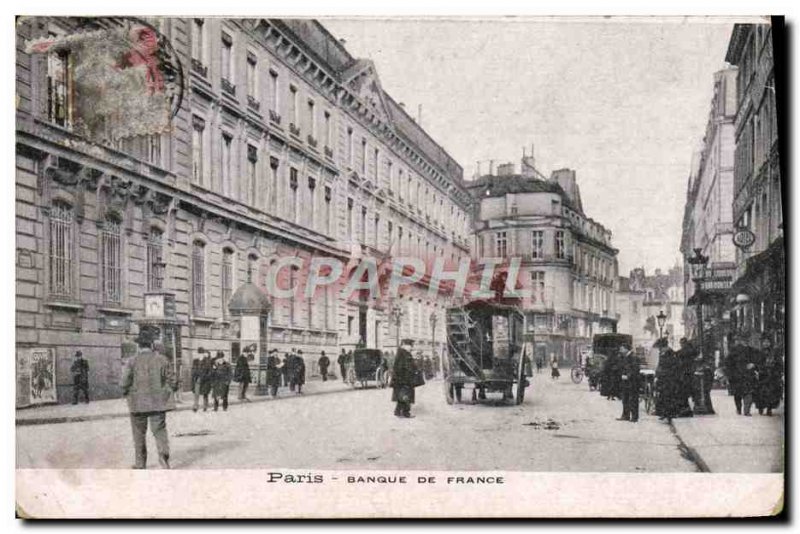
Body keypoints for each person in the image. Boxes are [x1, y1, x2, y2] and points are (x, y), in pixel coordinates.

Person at [122, 326, 176, 469]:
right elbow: (173, 380)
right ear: (152, 345)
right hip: (158, 403)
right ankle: (164, 458)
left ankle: (140, 464)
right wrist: (168, 391)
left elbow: (123, 382)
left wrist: (126, 392)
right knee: (159, 431)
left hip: (137, 403)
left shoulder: (131, 361)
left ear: (138, 345)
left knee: (138, 433)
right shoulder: (162, 359)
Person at [392, 340, 421, 418]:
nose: (412, 348)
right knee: (406, 396)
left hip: (401, 379)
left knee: (401, 396)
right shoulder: (404, 354)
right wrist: (412, 373)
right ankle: (406, 413)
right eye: (411, 346)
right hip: (405, 379)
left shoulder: (401, 353)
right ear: (406, 346)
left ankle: (397, 411)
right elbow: (403, 367)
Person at [755, 336, 783, 416]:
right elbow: (757, 363)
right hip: (762, 375)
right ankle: (761, 407)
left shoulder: (774, 352)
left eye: (768, 342)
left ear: (770, 343)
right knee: (761, 392)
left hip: (772, 376)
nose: (766, 343)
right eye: (764, 342)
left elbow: (779, 363)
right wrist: (758, 369)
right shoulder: (759, 352)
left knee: (772, 393)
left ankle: (769, 409)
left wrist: (777, 371)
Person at [654, 339, 680, 421]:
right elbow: (660, 365)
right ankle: (665, 413)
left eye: (660, 347)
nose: (659, 349)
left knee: (669, 396)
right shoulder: (663, 353)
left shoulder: (670, 353)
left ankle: (671, 413)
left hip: (669, 379)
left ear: (664, 347)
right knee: (664, 396)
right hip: (664, 378)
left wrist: (662, 373)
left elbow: (671, 366)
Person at [617, 348, 641, 423]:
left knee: (633, 399)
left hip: (633, 381)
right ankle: (626, 415)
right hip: (626, 381)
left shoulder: (633, 357)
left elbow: (635, 369)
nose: (621, 350)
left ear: (626, 349)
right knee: (625, 399)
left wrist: (628, 375)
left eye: (622, 348)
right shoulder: (625, 357)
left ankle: (634, 417)